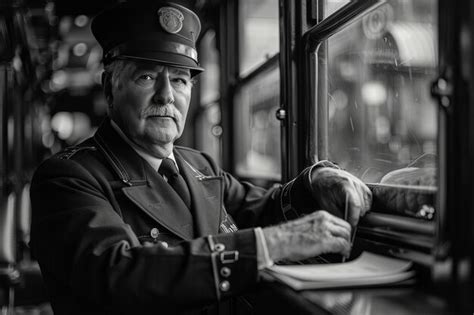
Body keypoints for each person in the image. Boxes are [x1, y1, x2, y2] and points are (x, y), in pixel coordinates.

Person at [29, 1, 372, 314]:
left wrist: (315, 183)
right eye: (147, 76)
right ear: (109, 88)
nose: (167, 96)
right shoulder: (68, 177)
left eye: (179, 80)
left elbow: (261, 208)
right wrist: (273, 244)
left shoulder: (199, 166)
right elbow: (119, 275)